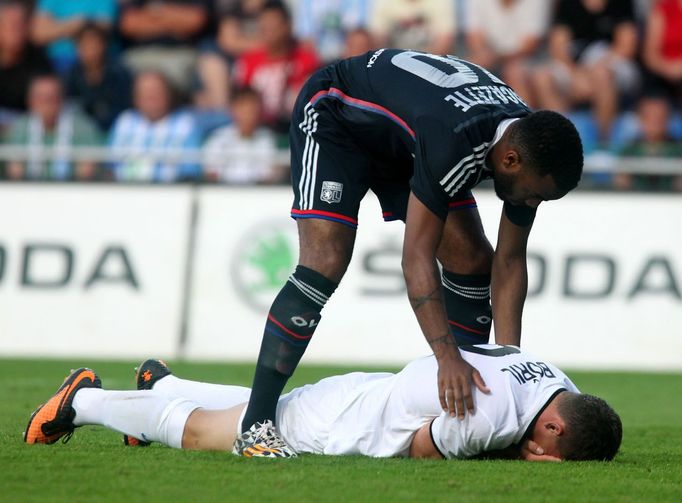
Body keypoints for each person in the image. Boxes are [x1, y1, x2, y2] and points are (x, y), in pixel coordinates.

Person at [235, 48, 584, 457]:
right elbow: (414, 258)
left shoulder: (526, 141)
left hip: (406, 140)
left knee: (473, 260)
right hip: (337, 118)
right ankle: (256, 426)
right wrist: (446, 356)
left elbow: (509, 261)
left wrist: (507, 366)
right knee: (326, 259)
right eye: (536, 195)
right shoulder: (456, 141)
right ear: (509, 160)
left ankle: (460, 411)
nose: (532, 203)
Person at [24, 345, 623, 462]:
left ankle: (159, 386)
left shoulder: (553, 377)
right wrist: (510, 456)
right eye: (547, 449)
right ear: (553, 422)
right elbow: (423, 449)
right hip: (349, 423)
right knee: (212, 435)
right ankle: (85, 402)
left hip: (368, 390)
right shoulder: (491, 419)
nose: (538, 455)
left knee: (268, 407)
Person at [532, 0, 639, 143]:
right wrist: (576, 74)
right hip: (575, 66)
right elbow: (558, 47)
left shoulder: (621, 4)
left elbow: (626, 47)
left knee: (602, 76)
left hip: (613, 62)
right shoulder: (568, 4)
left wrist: (591, 73)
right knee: (542, 78)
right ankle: (561, 140)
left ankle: (603, 143)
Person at [232, 1, 321, 133]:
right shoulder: (248, 61)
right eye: (264, 26)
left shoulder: (306, 60)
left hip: (296, 128)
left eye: (273, 26)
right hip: (258, 130)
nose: (268, 32)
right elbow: (240, 102)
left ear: (287, 26)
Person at [3, 74, 103, 181]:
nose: (47, 104)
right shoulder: (20, 128)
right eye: (40, 97)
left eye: (52, 98)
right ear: (30, 101)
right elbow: (15, 173)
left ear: (62, 99)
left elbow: (86, 173)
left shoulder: (83, 129)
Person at [108, 71, 202, 182]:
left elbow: (190, 171)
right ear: (136, 98)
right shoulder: (125, 122)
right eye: (146, 93)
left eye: (156, 92)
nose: (151, 98)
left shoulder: (185, 124)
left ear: (168, 95)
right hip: (122, 192)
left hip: (170, 193)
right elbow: (109, 165)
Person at [466, 0, 550, 106]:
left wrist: (496, 57)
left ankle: (524, 119)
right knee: (467, 70)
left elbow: (530, 45)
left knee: (515, 72)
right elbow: (475, 38)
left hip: (530, 59)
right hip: (493, 57)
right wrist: (485, 56)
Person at [118, 0, 211, 92]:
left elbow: (195, 21)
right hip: (140, 54)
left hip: (179, 53)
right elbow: (129, 25)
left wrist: (152, 16)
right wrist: (174, 23)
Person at [202, 87, 281, 184]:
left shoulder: (267, 139)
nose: (248, 114)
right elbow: (211, 173)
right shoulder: (218, 139)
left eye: (252, 109)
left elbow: (268, 176)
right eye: (244, 108)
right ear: (233, 109)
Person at [64, 23, 133, 131]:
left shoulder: (120, 75)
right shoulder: (70, 76)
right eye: (84, 44)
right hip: (81, 131)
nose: (90, 49)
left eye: (94, 43)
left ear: (104, 45)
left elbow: (125, 110)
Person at [30, 0, 117, 73]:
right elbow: (39, 34)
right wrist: (78, 24)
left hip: (96, 64)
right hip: (56, 62)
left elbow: (105, 27)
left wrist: (56, 27)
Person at [0, 1, 52, 122]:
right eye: (10, 25)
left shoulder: (39, 58)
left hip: (25, 127)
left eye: (20, 25)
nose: (16, 30)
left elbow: (44, 105)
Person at [368, 0, 456, 56]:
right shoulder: (383, 2)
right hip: (393, 63)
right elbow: (377, 40)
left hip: (431, 64)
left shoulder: (440, 2)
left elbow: (445, 40)